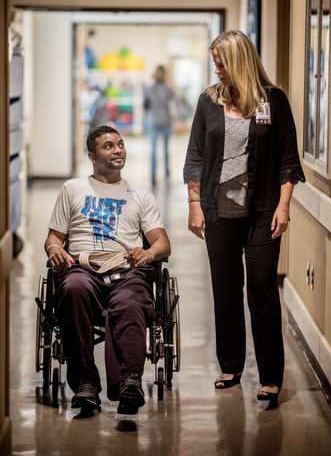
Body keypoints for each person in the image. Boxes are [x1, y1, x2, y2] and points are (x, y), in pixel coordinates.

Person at [183, 30, 305, 408]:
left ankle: (270, 376)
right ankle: (231, 365)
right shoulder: (208, 101)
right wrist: (194, 204)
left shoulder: (274, 101)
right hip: (219, 211)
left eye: (221, 63)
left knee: (263, 289)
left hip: (264, 210)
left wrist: (284, 206)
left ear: (239, 61)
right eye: (214, 63)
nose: (216, 69)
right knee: (225, 287)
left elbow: (288, 160)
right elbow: (196, 156)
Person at [44, 125, 171, 417]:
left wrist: (148, 252)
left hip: (125, 268)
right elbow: (53, 238)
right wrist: (55, 250)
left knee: (131, 301)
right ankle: (85, 384)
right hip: (82, 267)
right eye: (109, 146)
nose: (118, 150)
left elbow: (162, 243)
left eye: (121, 144)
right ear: (92, 155)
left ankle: (128, 381)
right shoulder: (73, 188)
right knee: (73, 290)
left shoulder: (139, 194)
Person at [143, 65, 176, 186]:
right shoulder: (168, 89)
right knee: (165, 150)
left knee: (153, 150)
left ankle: (153, 175)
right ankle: (166, 174)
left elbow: (145, 106)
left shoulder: (149, 89)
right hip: (165, 120)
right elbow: (173, 106)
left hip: (153, 120)